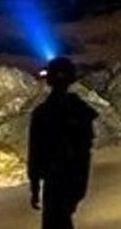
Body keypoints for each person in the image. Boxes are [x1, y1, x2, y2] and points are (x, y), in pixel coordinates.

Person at [28, 57, 98, 229]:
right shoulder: (80, 110)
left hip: (56, 177)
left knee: (54, 221)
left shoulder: (42, 113)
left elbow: (35, 152)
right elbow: (86, 148)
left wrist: (35, 186)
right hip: (72, 176)